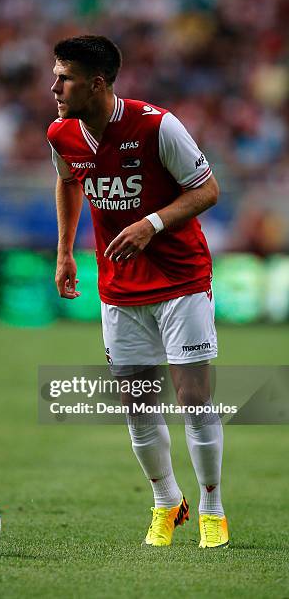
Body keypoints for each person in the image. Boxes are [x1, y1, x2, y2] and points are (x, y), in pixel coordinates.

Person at [47, 35, 228, 548]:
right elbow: (68, 182)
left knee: (194, 400)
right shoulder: (61, 134)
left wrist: (151, 223)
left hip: (181, 281)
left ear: (96, 83)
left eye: (65, 78)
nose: (54, 86)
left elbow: (208, 189)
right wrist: (64, 252)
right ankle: (167, 503)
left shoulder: (156, 125)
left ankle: (213, 509)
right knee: (138, 405)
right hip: (119, 288)